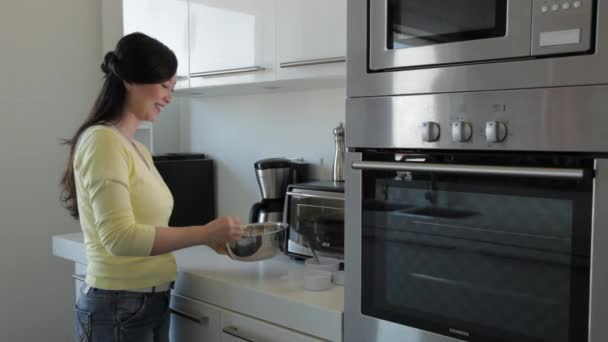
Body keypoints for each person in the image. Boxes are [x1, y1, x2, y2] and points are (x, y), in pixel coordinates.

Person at [60, 32, 245, 342]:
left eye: (172, 87)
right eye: (164, 85)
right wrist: (204, 233)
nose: (169, 97)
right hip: (117, 306)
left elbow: (148, 228)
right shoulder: (103, 140)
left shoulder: (138, 149)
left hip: (150, 301)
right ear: (130, 80)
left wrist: (207, 239)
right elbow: (120, 238)